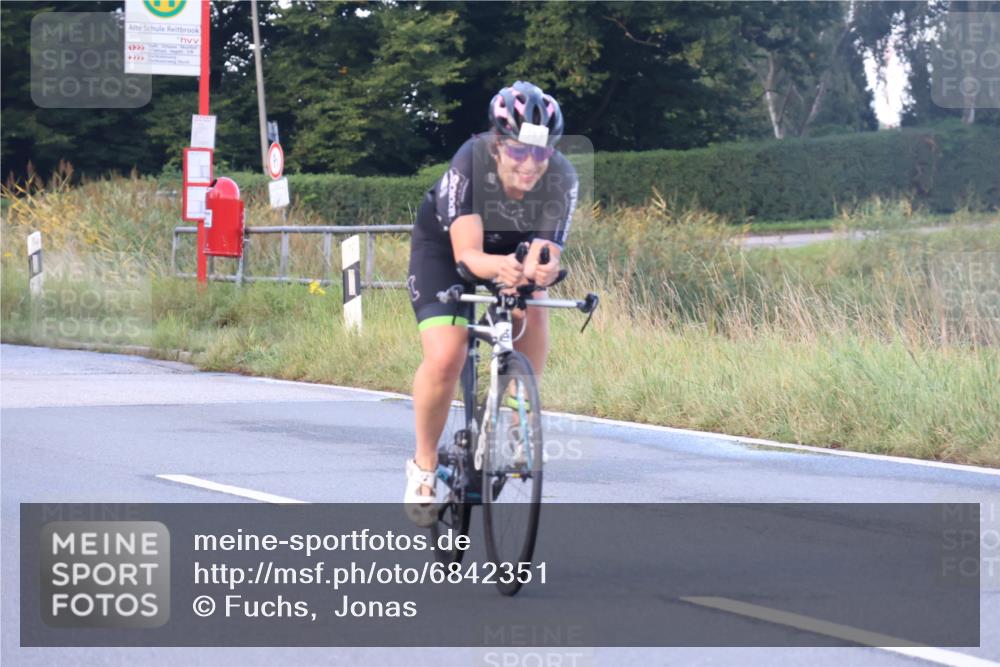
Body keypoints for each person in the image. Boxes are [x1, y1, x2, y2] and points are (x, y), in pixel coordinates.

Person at [404, 80, 579, 526]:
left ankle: (521, 409)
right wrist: (499, 267)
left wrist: (543, 270)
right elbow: (468, 256)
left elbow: (547, 252)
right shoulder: (470, 161)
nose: (530, 164)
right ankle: (423, 467)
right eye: (519, 152)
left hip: (510, 251)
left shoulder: (562, 177)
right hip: (447, 251)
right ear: (497, 146)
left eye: (540, 154)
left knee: (535, 300)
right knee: (447, 355)